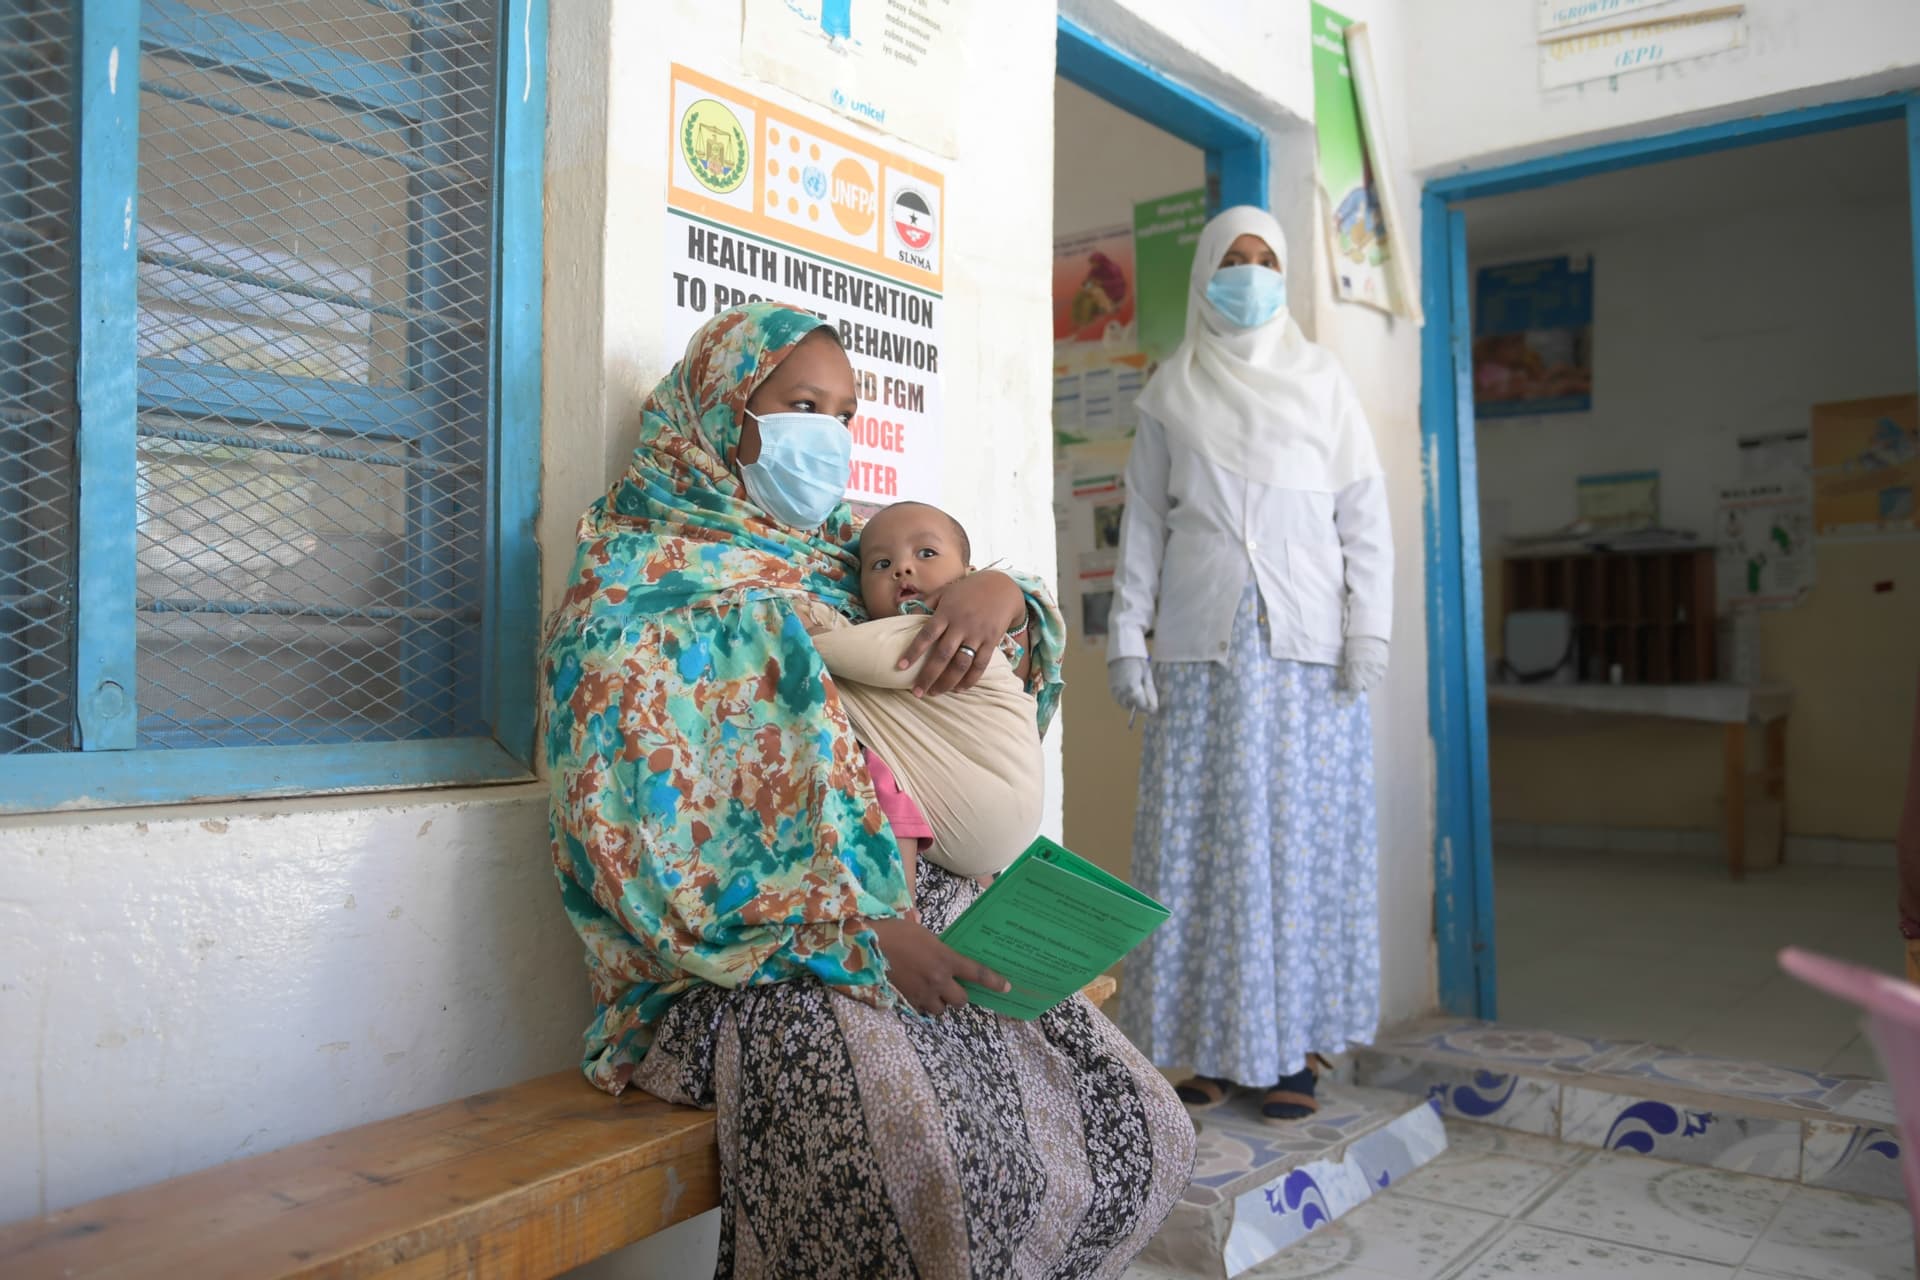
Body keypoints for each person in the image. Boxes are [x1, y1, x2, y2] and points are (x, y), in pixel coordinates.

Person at [542, 302, 1194, 1277]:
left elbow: (958, 631)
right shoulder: (634, 588)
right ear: (725, 410)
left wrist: (1001, 592)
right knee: (936, 1170)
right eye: (804, 403)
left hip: (917, 912)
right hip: (750, 955)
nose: (829, 435)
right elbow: (628, 837)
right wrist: (854, 933)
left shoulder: (840, 555)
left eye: (846, 414)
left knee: (1135, 1129)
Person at [1106, 206, 1392, 1123]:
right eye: (1233, 259)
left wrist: (1370, 630)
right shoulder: (1171, 391)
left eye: (1266, 260)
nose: (1251, 273)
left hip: (1309, 658)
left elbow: (1364, 518)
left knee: (1298, 850)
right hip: (1200, 656)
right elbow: (1145, 526)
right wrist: (1125, 636)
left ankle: (1293, 1047)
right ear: (1204, 275)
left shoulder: (1323, 384)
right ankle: (1199, 1045)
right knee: (1198, 850)